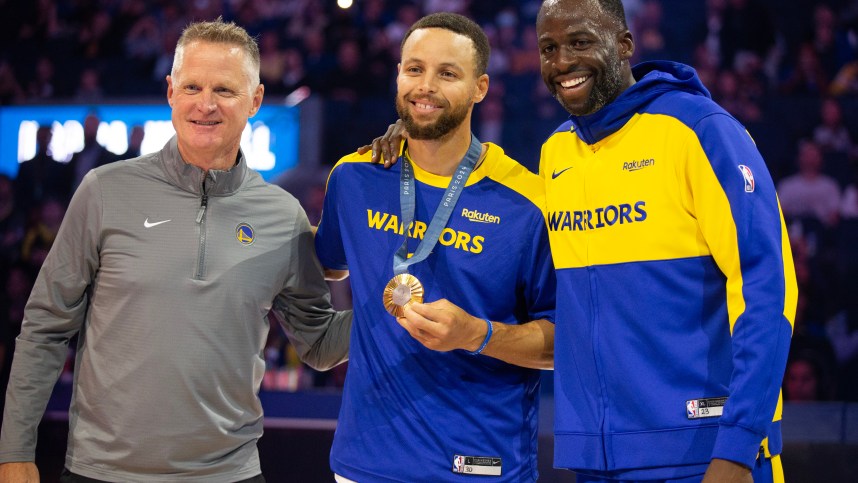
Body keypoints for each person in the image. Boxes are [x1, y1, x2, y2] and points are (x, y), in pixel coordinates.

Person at [367, 2, 797, 482]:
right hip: (597, 459)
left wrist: (738, 448)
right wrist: (415, 129)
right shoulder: (557, 153)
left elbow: (768, 290)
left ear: (624, 45)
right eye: (549, 49)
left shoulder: (699, 130)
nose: (563, 62)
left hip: (705, 452)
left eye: (580, 42)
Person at [0, 19, 351, 483]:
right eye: (192, 86)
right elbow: (45, 327)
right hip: (101, 473)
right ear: (170, 92)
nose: (205, 104)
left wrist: (395, 301)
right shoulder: (105, 191)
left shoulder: (281, 215)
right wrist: (14, 451)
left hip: (229, 474)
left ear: (256, 100)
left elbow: (320, 344)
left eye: (225, 89)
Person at [314, 12, 556, 482]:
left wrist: (478, 335)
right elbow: (328, 266)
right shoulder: (354, 176)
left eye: (447, 73)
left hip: (481, 467)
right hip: (363, 467)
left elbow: (566, 341)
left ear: (480, 87)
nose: (425, 86)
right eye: (414, 69)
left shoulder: (528, 205)